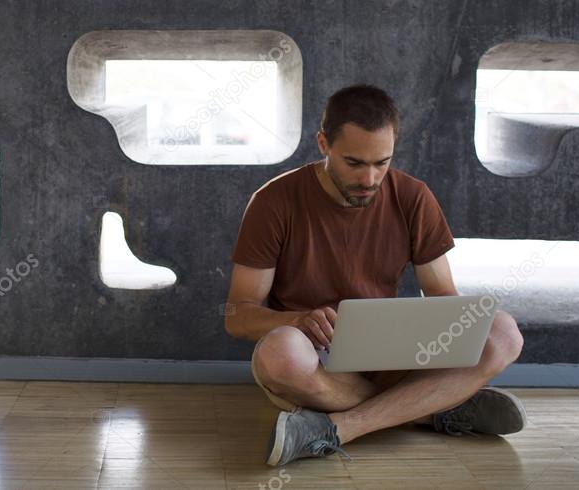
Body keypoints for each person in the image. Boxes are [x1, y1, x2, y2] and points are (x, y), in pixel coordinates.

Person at [224, 84, 526, 466]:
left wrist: (459, 335)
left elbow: (443, 297)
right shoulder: (273, 201)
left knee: (501, 332)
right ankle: (436, 409)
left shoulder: (413, 197)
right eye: (354, 163)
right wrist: (297, 319)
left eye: (381, 162)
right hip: (313, 359)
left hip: (391, 355)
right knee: (279, 355)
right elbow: (238, 315)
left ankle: (336, 429)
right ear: (323, 144)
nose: (369, 179)